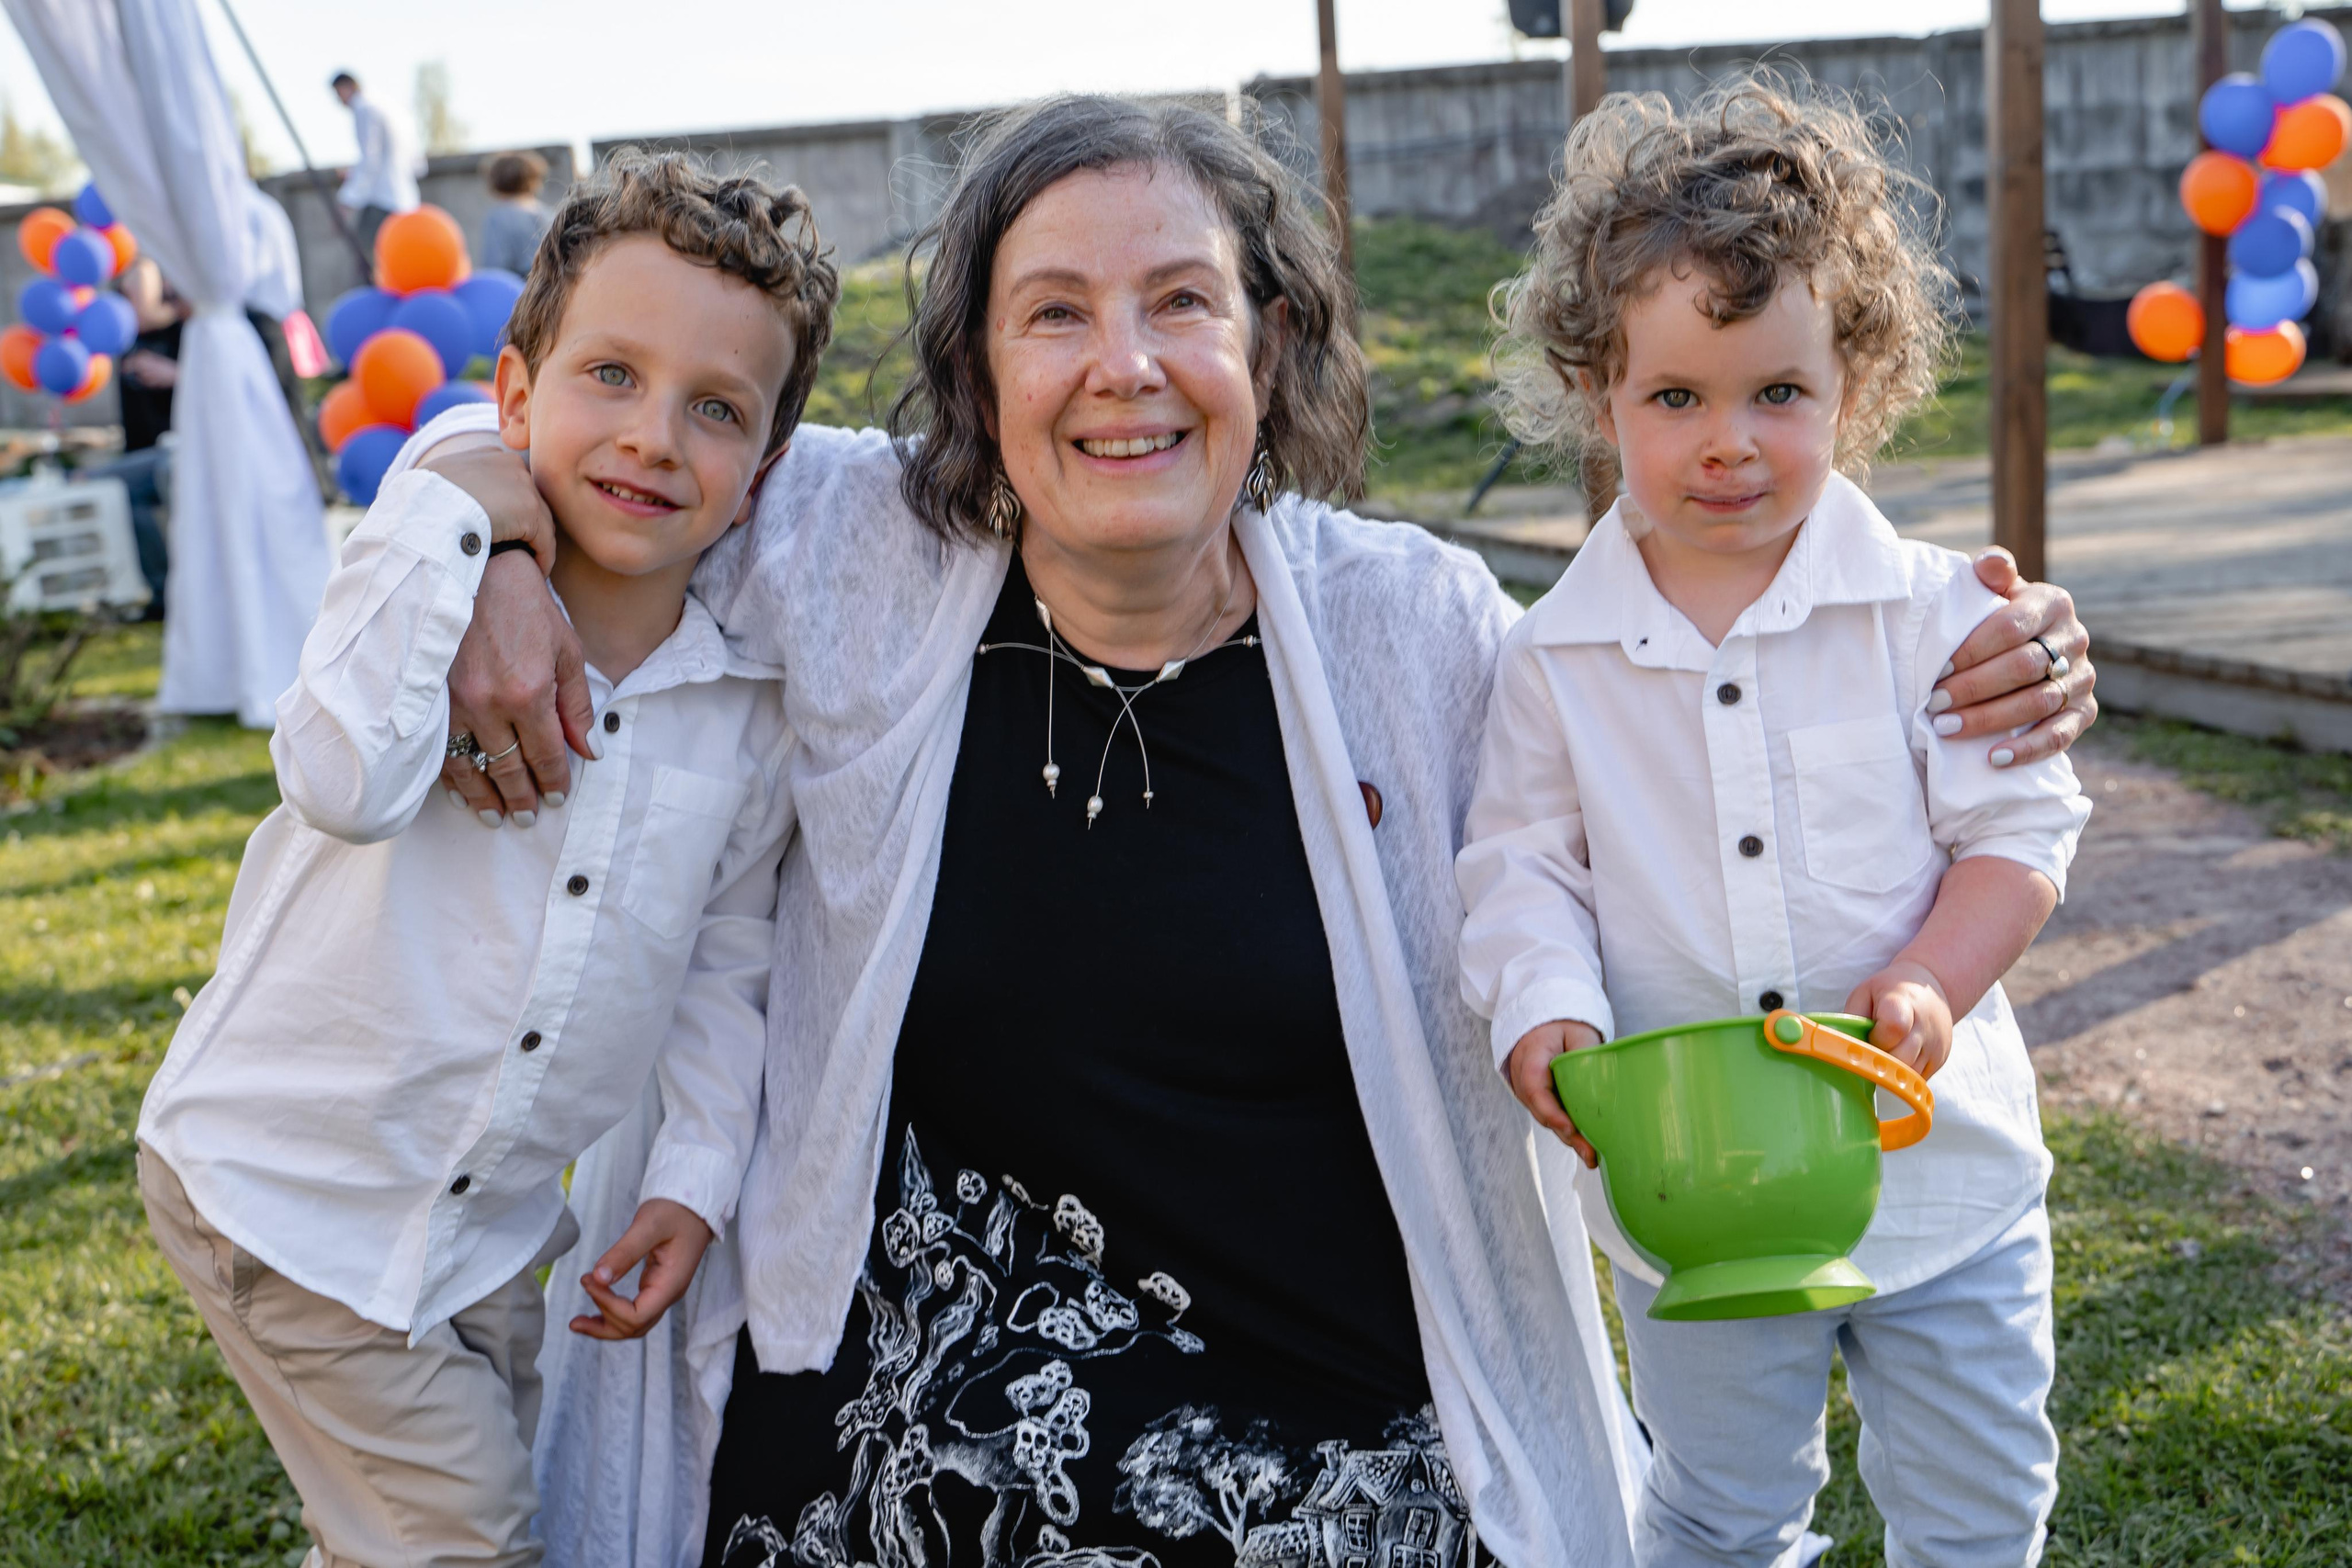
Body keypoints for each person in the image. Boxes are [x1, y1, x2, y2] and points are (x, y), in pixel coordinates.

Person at [412, 96, 2099, 1568]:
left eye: (1181, 302)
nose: (1124, 366)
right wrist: (494, 545)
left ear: (1269, 344)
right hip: (919, 1424)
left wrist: (1978, 649)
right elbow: (577, 425)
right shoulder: (853, 548)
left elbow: (1688, 694)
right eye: (1054, 312)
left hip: (1332, 1438)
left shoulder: (1422, 636)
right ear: (978, 368)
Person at [135, 151, 838, 1568]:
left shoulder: (743, 711)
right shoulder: (428, 576)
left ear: (762, 472)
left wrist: (695, 1169)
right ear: (516, 396)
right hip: (295, 1196)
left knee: (431, 1509)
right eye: (612, 375)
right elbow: (339, 780)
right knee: (468, 1537)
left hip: (486, 1226)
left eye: (715, 407)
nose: (653, 436)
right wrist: (460, 514)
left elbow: (727, 954)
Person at [1457, 78, 2091, 1567]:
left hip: (1944, 1182)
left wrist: (1931, 976)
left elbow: (2018, 834)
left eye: (1777, 395)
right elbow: (1523, 866)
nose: (1728, 442)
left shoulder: (1938, 617)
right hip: (1695, 1197)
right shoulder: (1553, 657)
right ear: (1598, 396)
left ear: (1852, 386)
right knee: (1715, 1511)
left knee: (1979, 1510)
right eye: (1676, 397)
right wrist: (1543, 1004)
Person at [331, 70, 422, 254]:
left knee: (366, 257)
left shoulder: (364, 109)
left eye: (338, 93)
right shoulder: (387, 105)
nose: (339, 100)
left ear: (347, 87)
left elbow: (371, 161)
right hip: (406, 200)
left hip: (383, 202)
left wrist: (347, 201)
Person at [481, 149, 555, 276]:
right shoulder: (549, 214)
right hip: (550, 283)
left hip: (518, 285)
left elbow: (495, 269)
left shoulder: (498, 218)